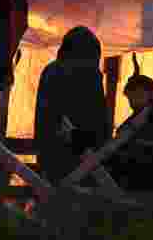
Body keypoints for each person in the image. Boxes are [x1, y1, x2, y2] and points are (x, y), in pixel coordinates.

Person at [34, 26, 111, 184]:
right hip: (82, 157)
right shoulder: (88, 74)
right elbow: (99, 118)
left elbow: (45, 120)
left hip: (55, 155)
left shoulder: (51, 71)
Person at [105, 74, 153, 192]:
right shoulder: (142, 112)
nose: (132, 103)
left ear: (151, 93)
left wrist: (136, 143)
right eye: (130, 99)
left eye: (136, 96)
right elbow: (122, 132)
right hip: (146, 163)